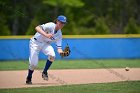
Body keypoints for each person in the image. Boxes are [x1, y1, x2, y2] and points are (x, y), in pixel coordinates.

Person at [26, 15, 67, 84]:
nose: (62, 24)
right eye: (61, 22)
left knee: (52, 55)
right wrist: (46, 34)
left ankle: (45, 72)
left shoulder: (59, 34)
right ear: (57, 21)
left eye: (64, 23)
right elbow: (37, 28)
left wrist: (62, 53)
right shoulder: (51, 25)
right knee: (33, 64)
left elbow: (59, 48)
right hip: (35, 43)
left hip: (45, 44)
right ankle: (29, 77)